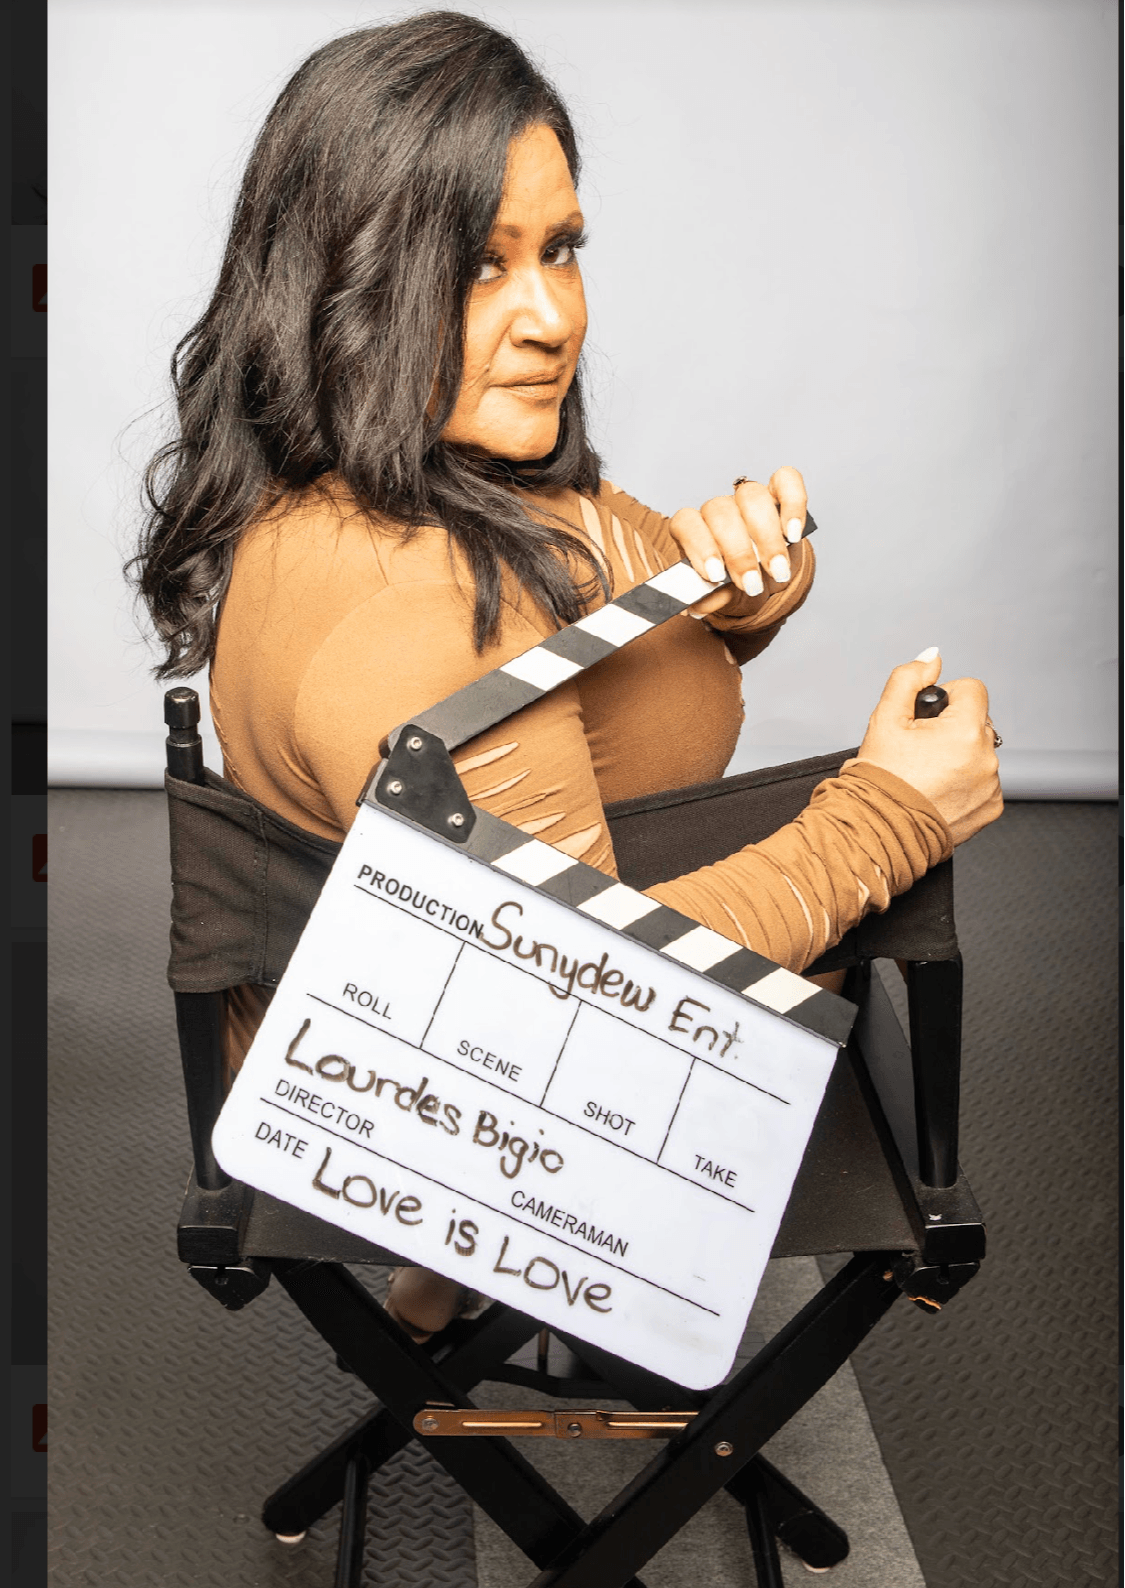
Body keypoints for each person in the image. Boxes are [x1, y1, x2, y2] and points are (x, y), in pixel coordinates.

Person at [133, 12, 1002, 1340]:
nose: (549, 318)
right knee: (878, 896)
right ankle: (476, 1270)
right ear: (353, 280)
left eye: (562, 250)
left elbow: (620, 600)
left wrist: (742, 598)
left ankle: (449, 1303)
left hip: (399, 1024)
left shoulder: (406, 488)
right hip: (473, 1128)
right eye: (480, 267)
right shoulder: (428, 600)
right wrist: (893, 814)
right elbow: (588, 1014)